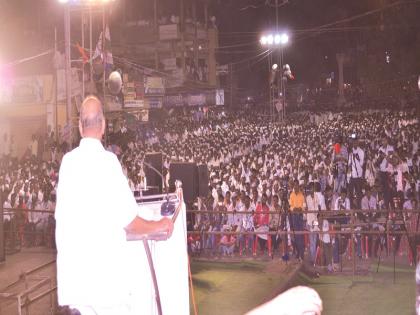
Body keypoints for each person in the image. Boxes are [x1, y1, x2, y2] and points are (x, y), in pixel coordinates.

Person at [55, 96, 173, 315]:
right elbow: (130, 223)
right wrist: (159, 224)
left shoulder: (67, 164)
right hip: (105, 289)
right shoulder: (108, 163)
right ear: (103, 126)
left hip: (75, 289)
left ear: (80, 126)